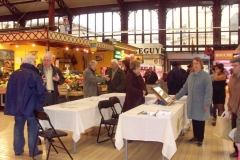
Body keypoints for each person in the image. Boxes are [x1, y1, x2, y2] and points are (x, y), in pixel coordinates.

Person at [4, 55, 47, 156]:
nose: (35, 64)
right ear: (31, 63)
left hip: (17, 107)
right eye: (35, 62)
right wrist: (38, 102)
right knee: (32, 128)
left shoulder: (14, 74)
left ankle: (18, 150)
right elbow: (41, 92)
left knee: (18, 127)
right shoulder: (34, 75)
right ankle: (33, 151)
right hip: (31, 107)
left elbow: (9, 91)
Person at [174, 57, 212, 147]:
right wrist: (177, 96)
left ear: (201, 64)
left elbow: (209, 91)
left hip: (201, 102)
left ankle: (200, 139)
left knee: (200, 121)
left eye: (197, 63)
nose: (195, 65)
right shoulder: (191, 76)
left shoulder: (206, 76)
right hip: (192, 103)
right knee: (194, 119)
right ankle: (195, 136)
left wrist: (207, 103)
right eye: (194, 63)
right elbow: (185, 88)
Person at [228, 56, 240, 157]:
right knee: (235, 129)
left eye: (235, 65)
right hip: (234, 108)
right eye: (233, 65)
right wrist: (229, 108)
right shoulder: (232, 77)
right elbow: (231, 94)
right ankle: (236, 150)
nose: (233, 67)